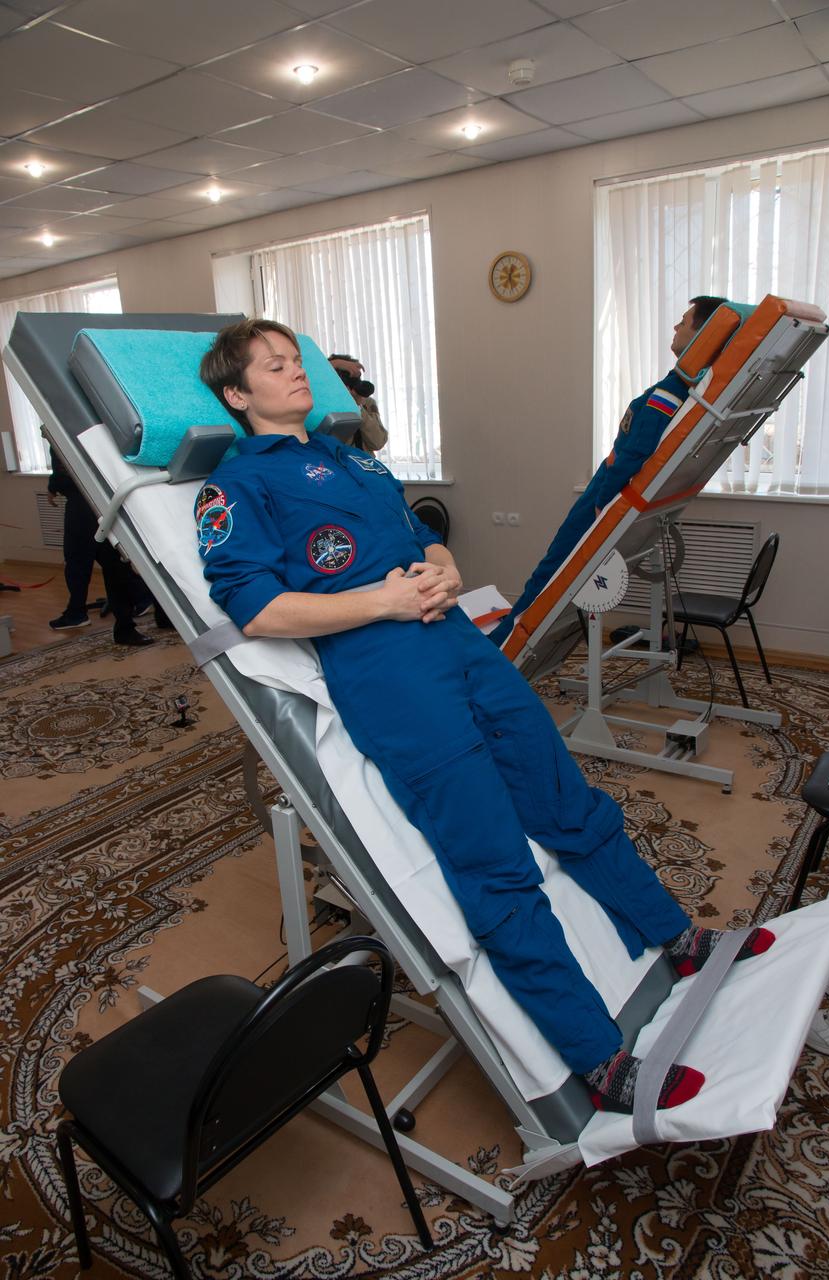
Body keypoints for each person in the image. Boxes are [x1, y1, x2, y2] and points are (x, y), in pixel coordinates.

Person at [196, 319, 774, 1115]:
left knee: (565, 800)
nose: (297, 374)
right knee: (492, 858)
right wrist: (384, 600)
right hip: (386, 673)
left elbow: (420, 541)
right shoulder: (234, 485)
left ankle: (670, 933)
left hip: (458, 645)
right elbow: (255, 607)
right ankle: (598, 1059)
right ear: (236, 394)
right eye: (275, 367)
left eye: (296, 361)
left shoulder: (351, 454)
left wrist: (440, 566)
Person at [489, 296, 729, 648]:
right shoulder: (694, 390)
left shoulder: (670, 392)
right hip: (616, 496)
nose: (676, 327)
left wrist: (602, 503)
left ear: (703, 333)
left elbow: (633, 453)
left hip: (606, 498)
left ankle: (498, 646)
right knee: (552, 575)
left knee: (549, 574)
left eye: (684, 321)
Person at [46, 445, 154, 647]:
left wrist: (54, 485)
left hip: (85, 506)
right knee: (114, 565)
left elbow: (67, 474)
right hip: (104, 503)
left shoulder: (63, 430)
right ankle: (135, 611)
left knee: (84, 563)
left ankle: (77, 613)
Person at [328, 352, 388, 454]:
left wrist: (358, 408)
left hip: (364, 465)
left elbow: (378, 442)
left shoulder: (366, 402)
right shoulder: (323, 405)